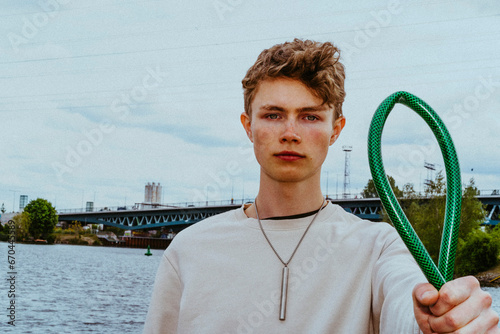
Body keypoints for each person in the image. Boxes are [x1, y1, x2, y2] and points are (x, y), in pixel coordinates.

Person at [143, 39, 499, 333]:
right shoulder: (188, 250)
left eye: (310, 116)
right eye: (273, 115)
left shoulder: (378, 248)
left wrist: (444, 320)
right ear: (248, 125)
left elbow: (407, 307)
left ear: (336, 130)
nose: (290, 133)